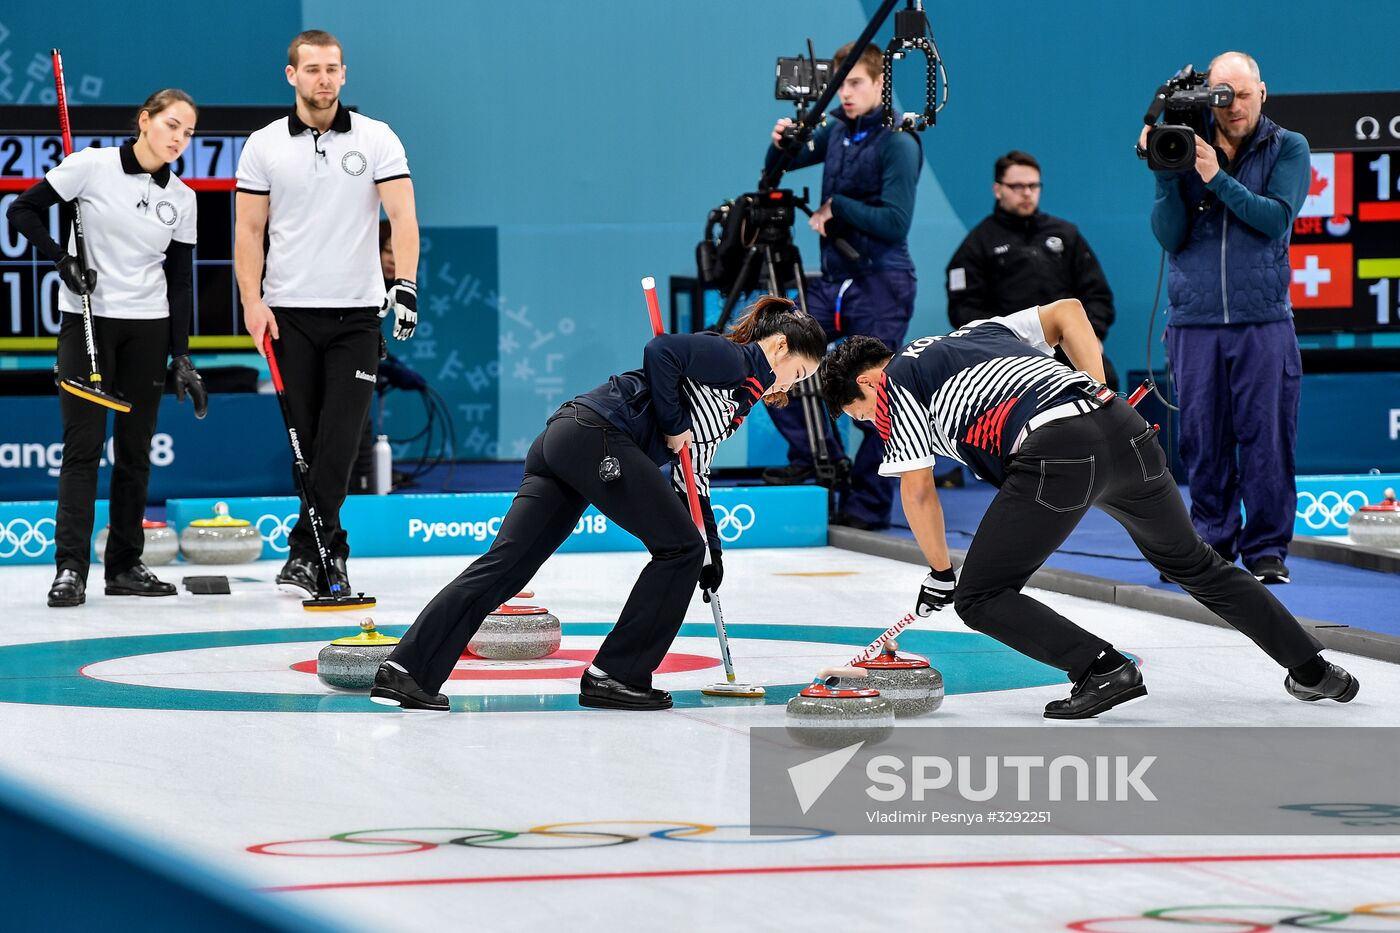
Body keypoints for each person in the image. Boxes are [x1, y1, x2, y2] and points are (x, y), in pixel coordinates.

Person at [819, 300, 1358, 720]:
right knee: (1196, 564)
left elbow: (917, 491)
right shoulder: (982, 329)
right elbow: (1068, 312)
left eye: (860, 414)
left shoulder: (896, 386)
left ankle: (1102, 668)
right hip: (1127, 431)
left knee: (979, 597)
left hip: (1057, 452)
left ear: (868, 382)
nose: (871, 424)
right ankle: (1313, 668)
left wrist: (941, 573)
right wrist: (1097, 387)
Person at [370, 297, 827, 712]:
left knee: (509, 566)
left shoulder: (734, 400)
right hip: (598, 435)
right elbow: (661, 351)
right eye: (801, 372)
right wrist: (671, 425)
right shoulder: (736, 358)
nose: (793, 384)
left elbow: (694, 477)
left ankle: (407, 670)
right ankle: (616, 674)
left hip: (568, 440)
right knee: (678, 550)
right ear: (780, 346)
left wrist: (712, 549)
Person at [235, 29, 420, 598]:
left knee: (340, 440)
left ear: (344, 74)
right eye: (312, 69)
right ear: (291, 75)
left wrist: (406, 285)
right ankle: (325, 556)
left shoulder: (378, 138)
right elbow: (248, 230)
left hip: (358, 316)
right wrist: (251, 300)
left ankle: (312, 552)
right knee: (308, 441)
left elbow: (404, 219)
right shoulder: (263, 145)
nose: (323, 79)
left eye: (332, 69)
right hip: (288, 314)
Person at [7, 90, 207, 608]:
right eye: (171, 125)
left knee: (136, 454)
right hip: (87, 320)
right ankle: (70, 569)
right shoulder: (90, 166)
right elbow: (22, 211)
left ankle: (123, 565)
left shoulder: (182, 198)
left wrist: (180, 354)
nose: (179, 139)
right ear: (145, 120)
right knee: (82, 450)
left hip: (149, 328)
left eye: (188, 132)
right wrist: (60, 260)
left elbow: (181, 281)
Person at [1143, 51, 1310, 585]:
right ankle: (1209, 546)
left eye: (1243, 94)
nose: (1233, 106)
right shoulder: (1183, 144)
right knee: (1202, 440)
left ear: (1263, 91)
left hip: (1263, 321)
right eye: (1222, 95)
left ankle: (1266, 551)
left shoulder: (1288, 148)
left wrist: (1214, 176)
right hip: (1194, 322)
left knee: (1268, 438)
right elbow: (1170, 236)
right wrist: (1169, 176)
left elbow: (1273, 220)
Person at [760, 39, 922, 531]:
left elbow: (895, 222)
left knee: (878, 393)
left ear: (879, 83)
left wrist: (840, 208)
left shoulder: (898, 141)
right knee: (772, 353)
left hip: (882, 280)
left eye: (855, 83)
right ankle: (823, 464)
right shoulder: (835, 132)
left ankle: (866, 506)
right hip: (835, 280)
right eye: (840, 84)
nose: (845, 94)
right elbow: (776, 170)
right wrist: (781, 142)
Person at [945, 150, 1119, 390]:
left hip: (1067, 347)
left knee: (1107, 383)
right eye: (1017, 186)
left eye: (1033, 186)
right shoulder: (977, 245)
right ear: (998, 189)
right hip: (1009, 357)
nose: (1027, 193)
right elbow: (963, 310)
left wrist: (1090, 335)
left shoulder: (1066, 234)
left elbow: (1098, 295)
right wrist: (1009, 344)